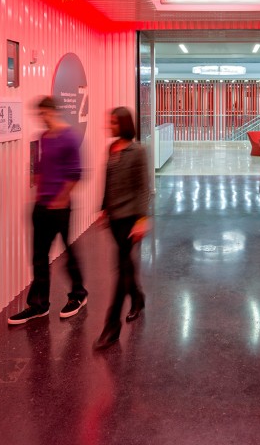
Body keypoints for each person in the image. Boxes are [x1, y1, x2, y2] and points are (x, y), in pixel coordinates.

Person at [8, 96, 88, 325]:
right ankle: (39, 305)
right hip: (41, 206)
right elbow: (42, 167)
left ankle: (78, 294)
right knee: (39, 257)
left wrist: (60, 199)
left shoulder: (69, 137)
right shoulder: (44, 137)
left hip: (59, 207)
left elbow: (75, 173)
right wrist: (38, 190)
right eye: (39, 115)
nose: (41, 118)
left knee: (69, 253)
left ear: (52, 112)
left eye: (43, 114)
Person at [93, 107, 151, 350]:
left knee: (120, 268)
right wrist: (104, 208)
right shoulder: (112, 148)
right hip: (115, 217)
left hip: (130, 218)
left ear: (124, 124)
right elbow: (109, 181)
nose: (110, 126)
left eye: (114, 122)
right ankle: (137, 297)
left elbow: (143, 187)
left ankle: (111, 326)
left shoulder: (137, 151)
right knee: (125, 265)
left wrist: (142, 219)